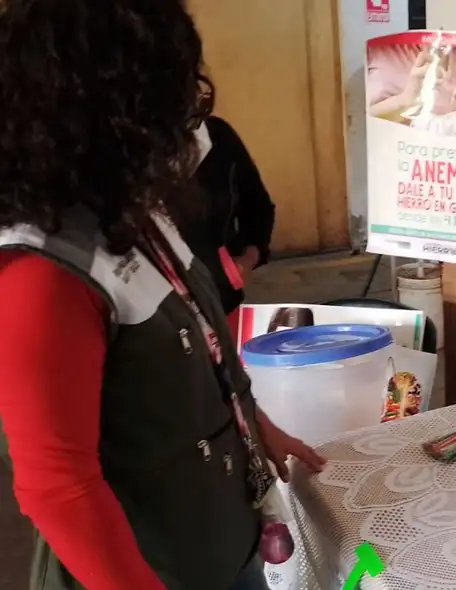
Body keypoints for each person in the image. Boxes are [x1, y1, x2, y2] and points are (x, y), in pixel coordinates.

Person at [0, 2, 325, 589]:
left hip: (219, 541)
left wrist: (255, 427)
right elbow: (59, 489)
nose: (191, 113)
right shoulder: (40, 275)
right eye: (171, 91)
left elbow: (203, 347)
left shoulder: (133, 215)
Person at [181, 99, 276, 336]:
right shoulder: (126, 156)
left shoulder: (218, 137)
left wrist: (248, 259)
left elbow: (258, 207)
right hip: (161, 321)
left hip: (223, 304)